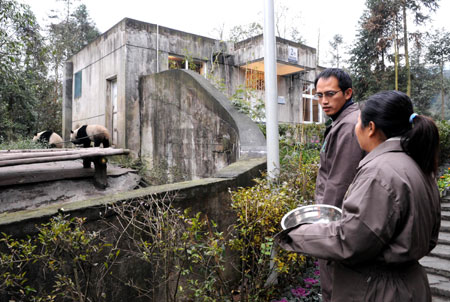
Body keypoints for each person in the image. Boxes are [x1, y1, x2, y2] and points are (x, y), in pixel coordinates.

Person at [276, 90, 441, 301]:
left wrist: (296, 234)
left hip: (377, 291)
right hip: (411, 285)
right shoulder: (418, 164)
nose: (355, 128)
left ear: (370, 128)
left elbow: (351, 241)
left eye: (358, 121)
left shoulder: (380, 173)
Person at [313, 68, 366, 301]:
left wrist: (323, 227)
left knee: (336, 289)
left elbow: (339, 182)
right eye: (319, 95)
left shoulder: (348, 126)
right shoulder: (341, 121)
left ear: (348, 93)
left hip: (336, 224)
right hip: (338, 223)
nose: (324, 101)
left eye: (330, 94)